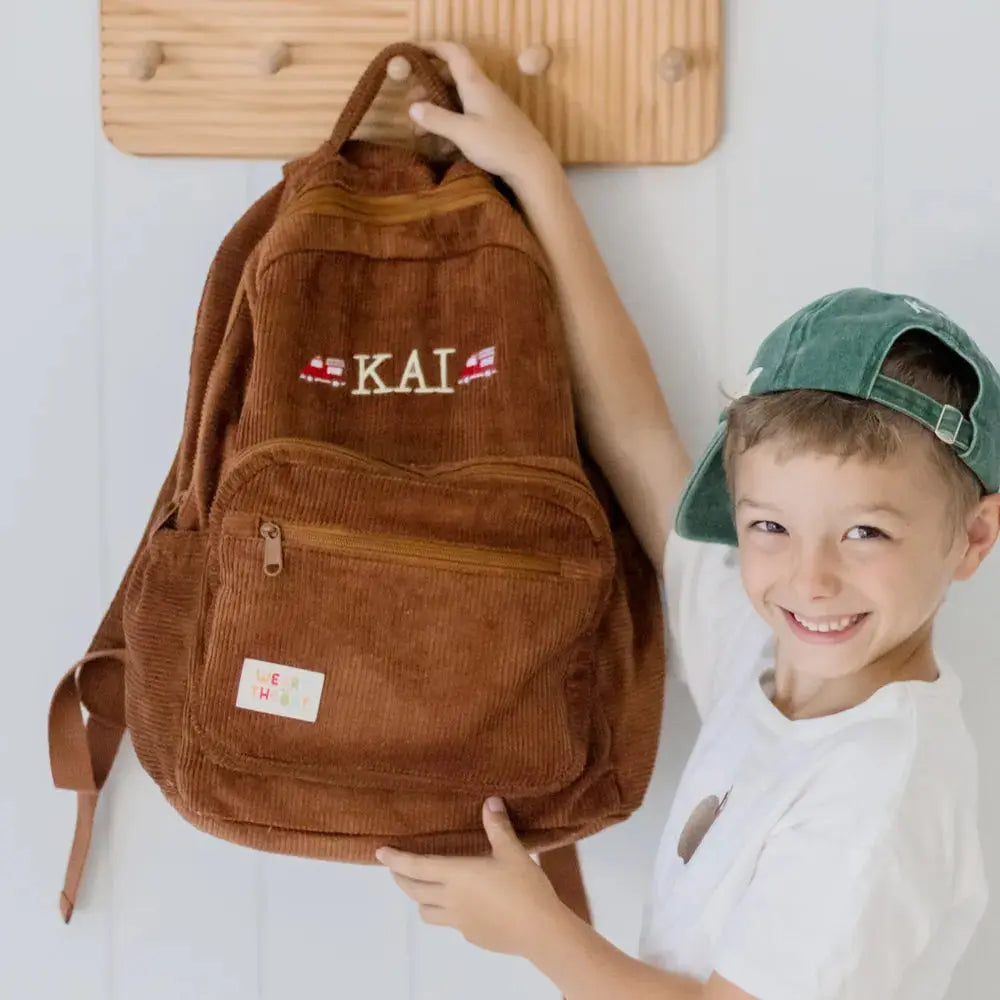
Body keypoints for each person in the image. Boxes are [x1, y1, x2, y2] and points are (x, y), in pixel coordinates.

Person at [374, 40, 1000, 1000]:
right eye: (769, 527)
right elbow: (631, 431)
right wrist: (535, 176)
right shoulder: (767, 658)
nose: (809, 578)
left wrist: (537, 929)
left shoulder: (884, 789)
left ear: (974, 539)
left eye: (866, 532)